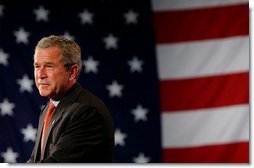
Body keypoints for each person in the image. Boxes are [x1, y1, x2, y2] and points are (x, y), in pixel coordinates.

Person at [27, 35, 114, 163]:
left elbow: (57, 164)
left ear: (72, 72)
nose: (40, 74)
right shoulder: (48, 110)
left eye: (49, 66)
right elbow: (35, 161)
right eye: (37, 66)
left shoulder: (87, 112)